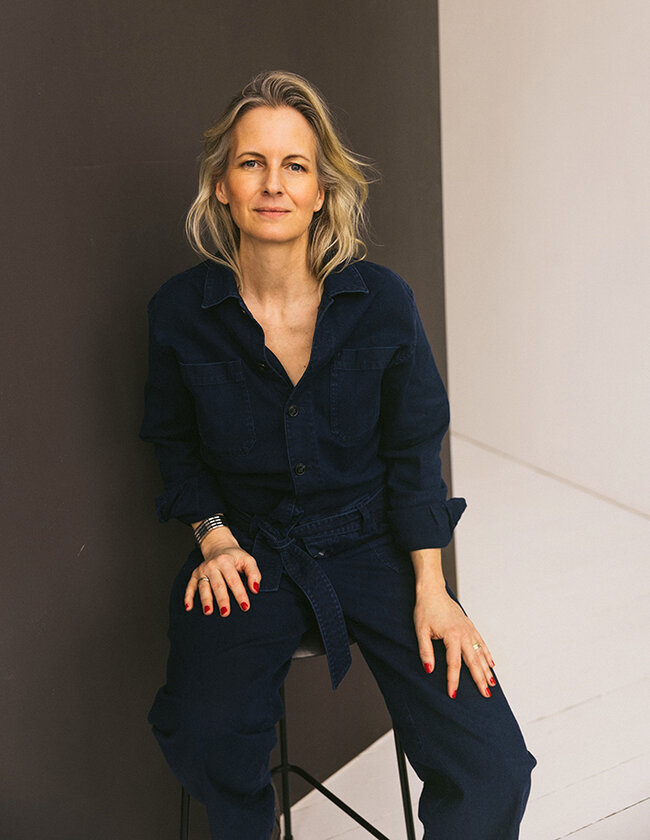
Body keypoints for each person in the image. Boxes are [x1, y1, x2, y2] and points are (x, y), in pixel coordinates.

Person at [140, 70, 536, 840]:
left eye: (295, 166)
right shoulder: (179, 313)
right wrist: (212, 536)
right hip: (250, 552)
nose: (273, 184)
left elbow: (414, 453)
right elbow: (174, 442)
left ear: (321, 191)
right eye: (252, 162)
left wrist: (434, 589)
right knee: (203, 731)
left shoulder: (381, 302)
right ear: (222, 185)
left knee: (493, 767)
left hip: (375, 546)